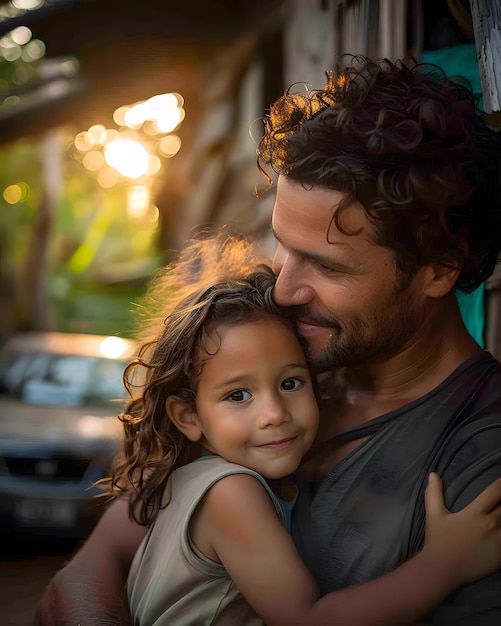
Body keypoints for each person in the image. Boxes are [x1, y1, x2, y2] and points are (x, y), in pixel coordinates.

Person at [37, 56, 501, 625]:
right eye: (283, 245)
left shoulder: (482, 455)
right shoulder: (275, 355)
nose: (283, 291)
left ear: (439, 269)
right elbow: (107, 548)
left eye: (325, 267)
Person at [100, 232, 500, 626]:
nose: (274, 413)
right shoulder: (231, 494)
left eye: (290, 383)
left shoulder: (195, 475)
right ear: (188, 417)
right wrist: (443, 565)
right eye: (238, 395)